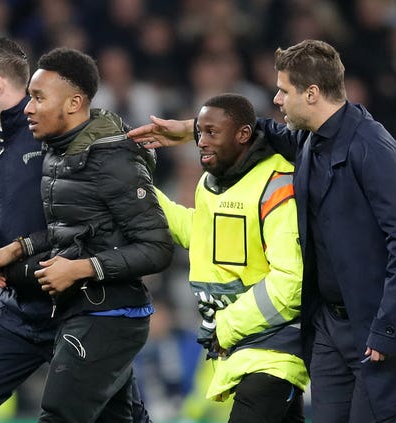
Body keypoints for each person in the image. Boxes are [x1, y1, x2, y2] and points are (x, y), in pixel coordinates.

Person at [129, 39, 396, 423]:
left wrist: (388, 328)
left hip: (372, 328)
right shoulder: (310, 140)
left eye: (283, 90)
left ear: (312, 93)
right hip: (328, 327)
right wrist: (194, 129)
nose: (275, 99)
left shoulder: (373, 149)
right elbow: (260, 132)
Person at [0, 37, 153, 423]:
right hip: (15, 311)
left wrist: (26, 255)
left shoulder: (55, 130)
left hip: (79, 306)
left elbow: (93, 217)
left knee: (119, 418)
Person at [0, 47, 174, 422]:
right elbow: (75, 231)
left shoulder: (113, 159)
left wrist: (80, 269)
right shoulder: (59, 151)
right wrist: (20, 246)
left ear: (73, 103)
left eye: (38, 98)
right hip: (85, 309)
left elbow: (157, 248)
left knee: (59, 414)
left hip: (111, 314)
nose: (28, 108)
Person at [155, 93, 308, 422]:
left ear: (243, 135)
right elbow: (203, 238)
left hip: (274, 351)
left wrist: (227, 326)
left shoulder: (277, 185)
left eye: (212, 133)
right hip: (243, 348)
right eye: (199, 133)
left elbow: (290, 283)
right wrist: (138, 190)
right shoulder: (212, 181)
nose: (201, 142)